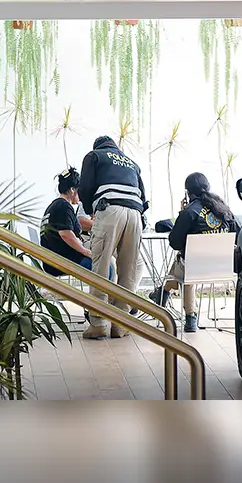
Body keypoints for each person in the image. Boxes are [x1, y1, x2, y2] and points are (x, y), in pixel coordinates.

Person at [78, 136, 149, 339]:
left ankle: (98, 322)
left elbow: (85, 187)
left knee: (100, 266)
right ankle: (121, 324)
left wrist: (92, 209)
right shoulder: (132, 163)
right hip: (135, 214)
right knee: (128, 269)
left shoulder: (95, 156)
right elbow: (144, 197)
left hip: (109, 208)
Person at [165, 172, 239, 332]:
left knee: (187, 263)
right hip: (223, 269)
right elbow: (237, 236)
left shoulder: (189, 212)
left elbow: (174, 242)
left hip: (193, 270)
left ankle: (188, 314)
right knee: (188, 263)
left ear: (187, 192)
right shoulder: (225, 210)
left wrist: (182, 214)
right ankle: (163, 292)